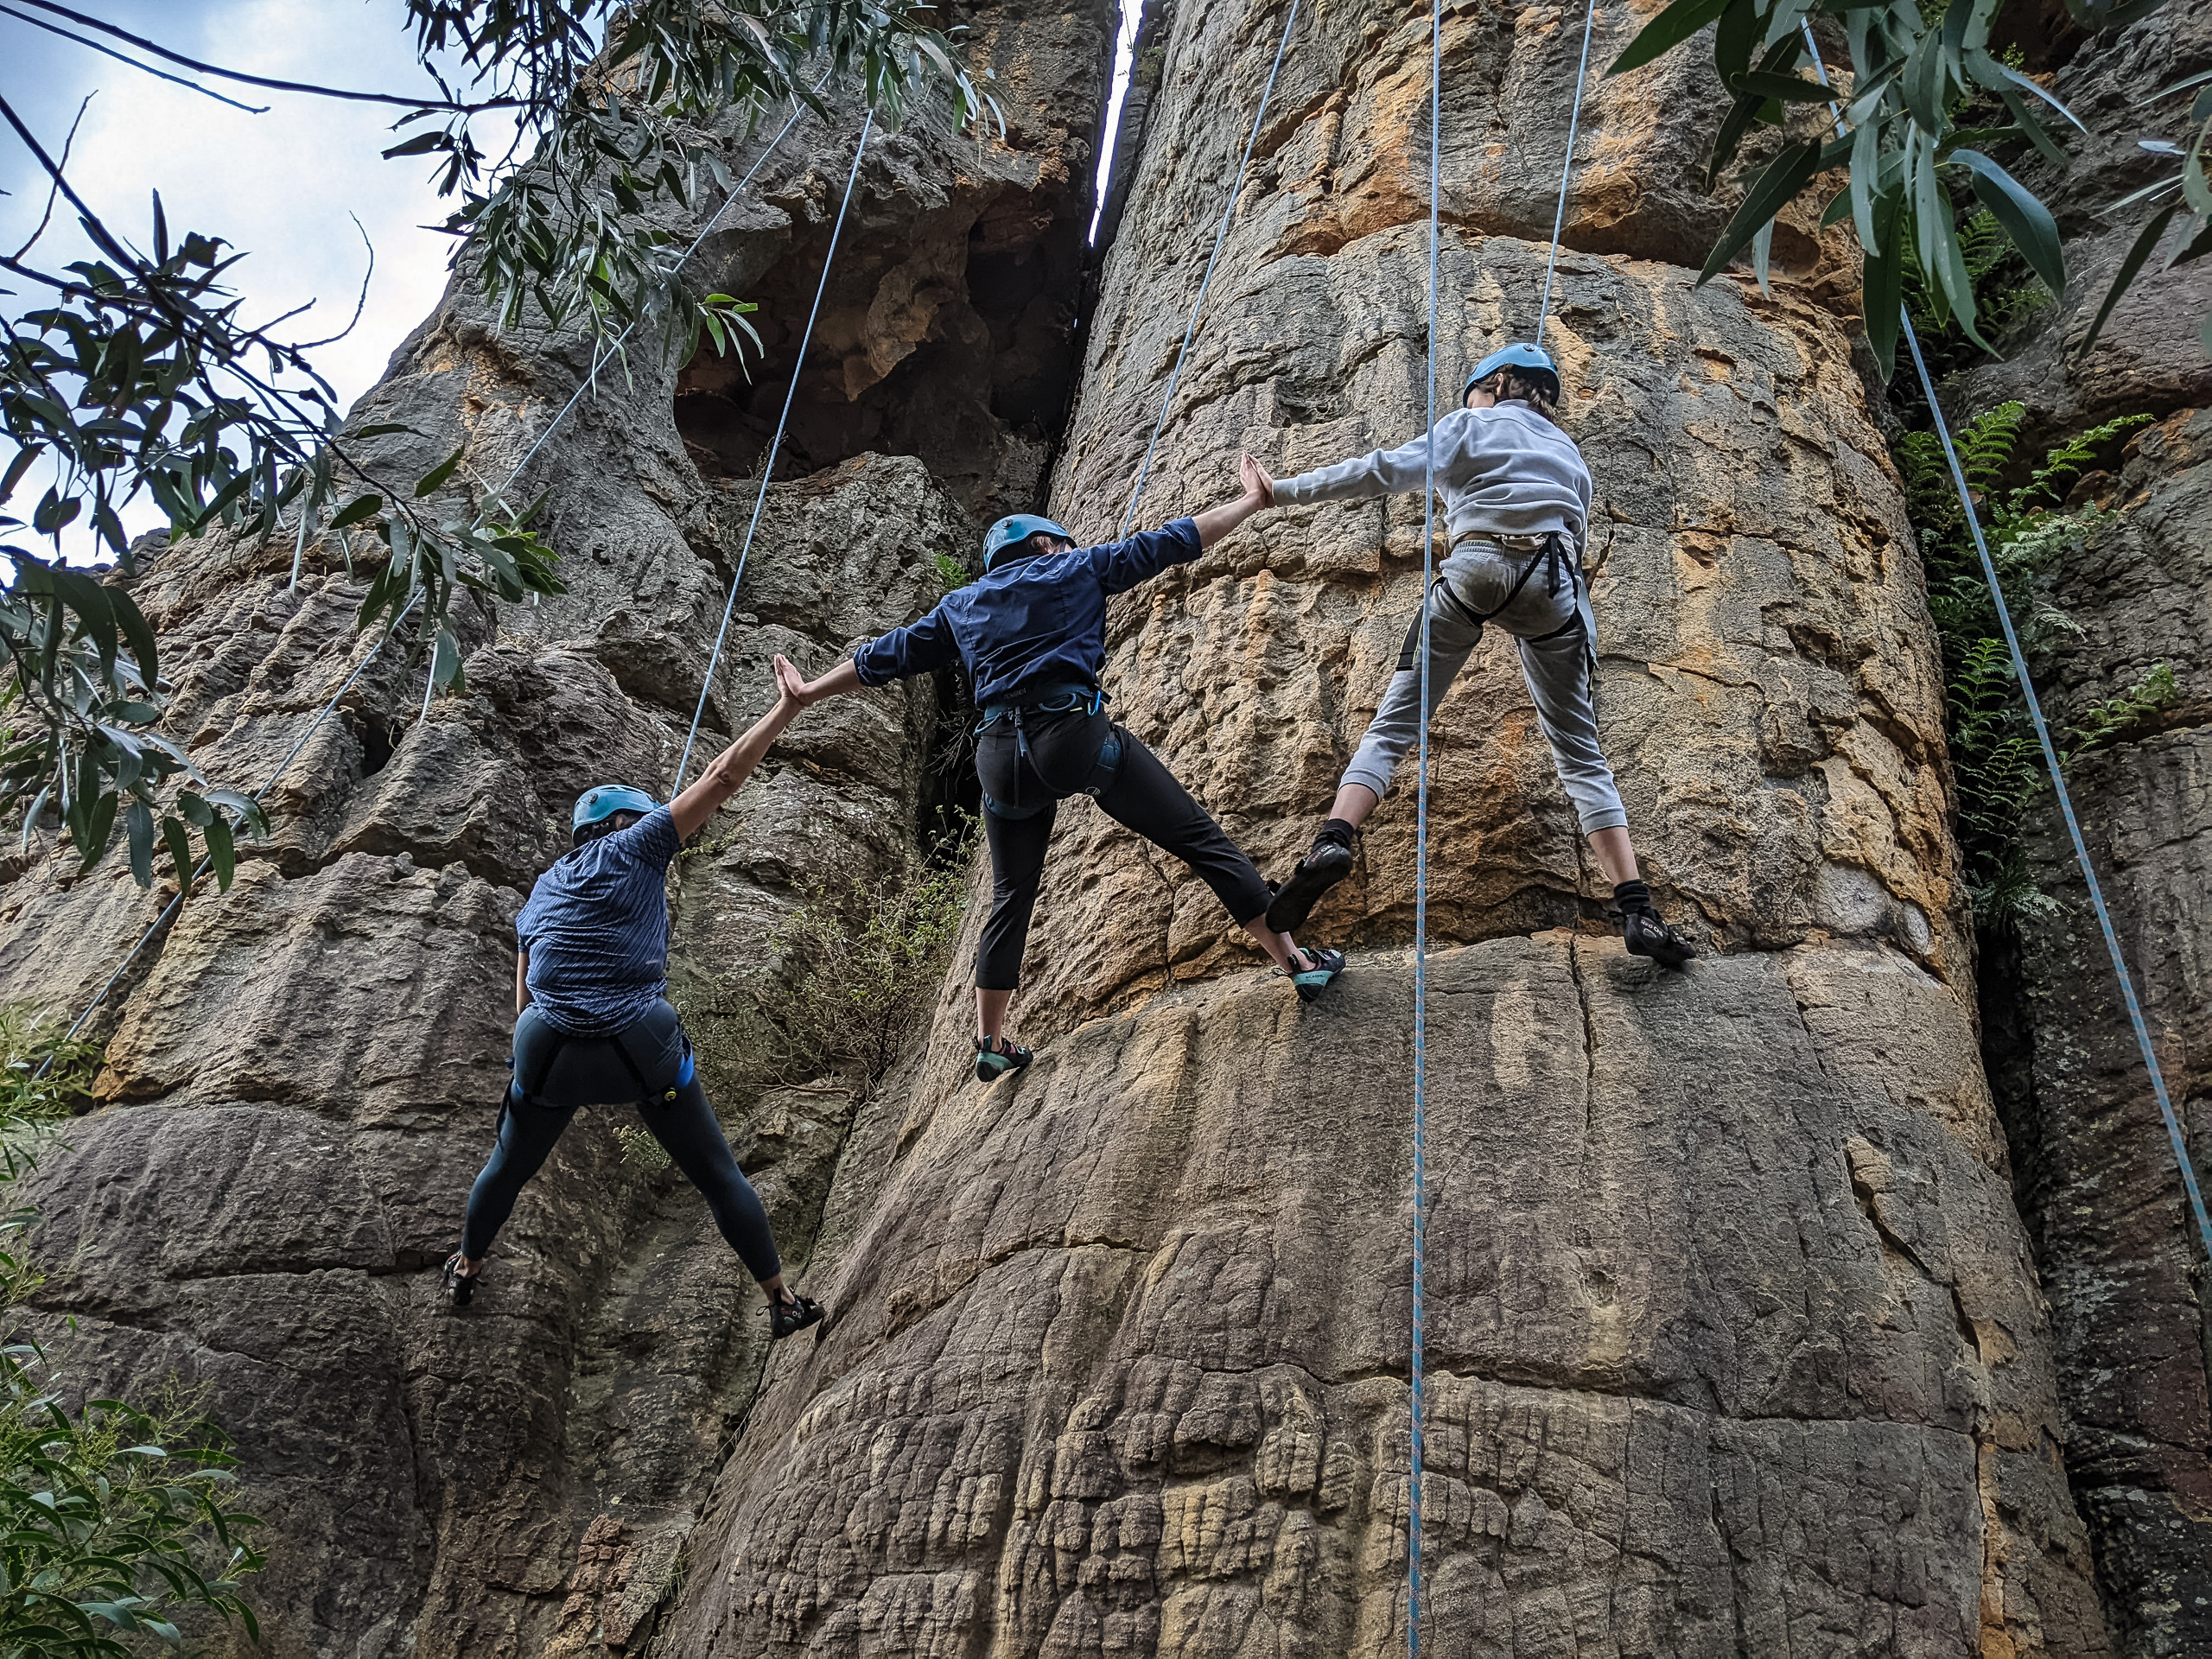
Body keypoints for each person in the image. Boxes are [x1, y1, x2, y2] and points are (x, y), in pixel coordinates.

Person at [775, 458, 1346, 1084]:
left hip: (999, 763)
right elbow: (1177, 540)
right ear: (1043, 544)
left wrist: (809, 693)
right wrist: (1250, 502)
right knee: (1197, 840)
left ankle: (991, 1041)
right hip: (1073, 740)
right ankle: (1298, 962)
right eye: (1061, 539)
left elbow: (885, 657)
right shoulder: (1077, 567)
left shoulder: (961, 605)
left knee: (1010, 896)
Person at [1256, 341, 1694, 968]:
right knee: (1580, 753)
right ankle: (1637, 909)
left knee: (1394, 726)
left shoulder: (1468, 424)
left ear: (1492, 387)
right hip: (1554, 586)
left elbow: (1382, 470)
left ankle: (1334, 839)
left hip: (1476, 567)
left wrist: (1282, 492)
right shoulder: (1570, 454)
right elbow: (1578, 537)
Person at [443, 677, 827, 1338]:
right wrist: (786, 707)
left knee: (506, 1167)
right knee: (715, 1173)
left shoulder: (542, 888)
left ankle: (469, 1266)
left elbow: (525, 995)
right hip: (638, 1042)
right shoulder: (641, 843)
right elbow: (722, 776)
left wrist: (535, 1077)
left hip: (547, 1050)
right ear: (625, 823)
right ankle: (782, 1301)